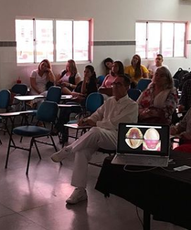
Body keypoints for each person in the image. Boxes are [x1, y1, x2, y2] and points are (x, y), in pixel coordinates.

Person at [51, 75, 138, 205]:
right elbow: (97, 114)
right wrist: (88, 120)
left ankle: (68, 150)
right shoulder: (109, 101)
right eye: (113, 84)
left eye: (118, 84)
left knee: (95, 131)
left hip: (119, 138)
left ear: (126, 87)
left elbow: (116, 124)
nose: (114, 87)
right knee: (82, 150)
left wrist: (96, 124)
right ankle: (79, 190)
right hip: (102, 134)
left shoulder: (132, 105)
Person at [56, 65, 98, 144]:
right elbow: (76, 91)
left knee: (67, 109)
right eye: (84, 71)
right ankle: (62, 132)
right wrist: (76, 94)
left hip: (83, 105)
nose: (85, 73)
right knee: (64, 109)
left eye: (87, 72)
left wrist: (85, 80)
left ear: (92, 73)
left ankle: (59, 129)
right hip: (77, 101)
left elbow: (83, 92)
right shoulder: (82, 82)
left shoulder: (92, 84)